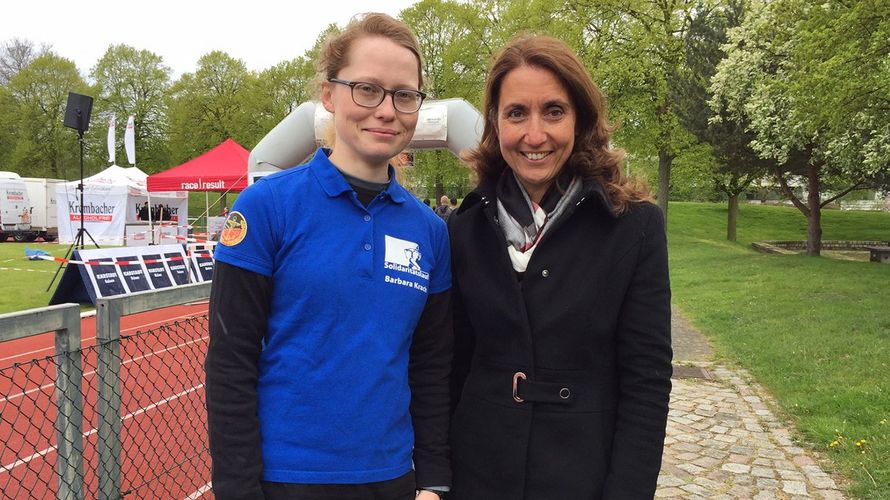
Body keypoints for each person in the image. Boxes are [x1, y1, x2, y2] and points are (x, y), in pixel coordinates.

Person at [205, 13, 452, 500]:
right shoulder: (265, 207)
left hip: (394, 479)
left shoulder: (430, 231)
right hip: (287, 480)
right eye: (366, 89)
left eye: (404, 94)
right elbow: (231, 362)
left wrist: (435, 481)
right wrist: (237, 489)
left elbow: (431, 368)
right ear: (328, 95)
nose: (386, 110)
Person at [448, 34, 672, 499]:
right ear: (495, 123)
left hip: (582, 475)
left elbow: (647, 381)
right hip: (477, 474)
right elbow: (450, 367)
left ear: (581, 119)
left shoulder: (634, 227)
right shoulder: (463, 228)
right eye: (516, 113)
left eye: (553, 111)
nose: (535, 135)